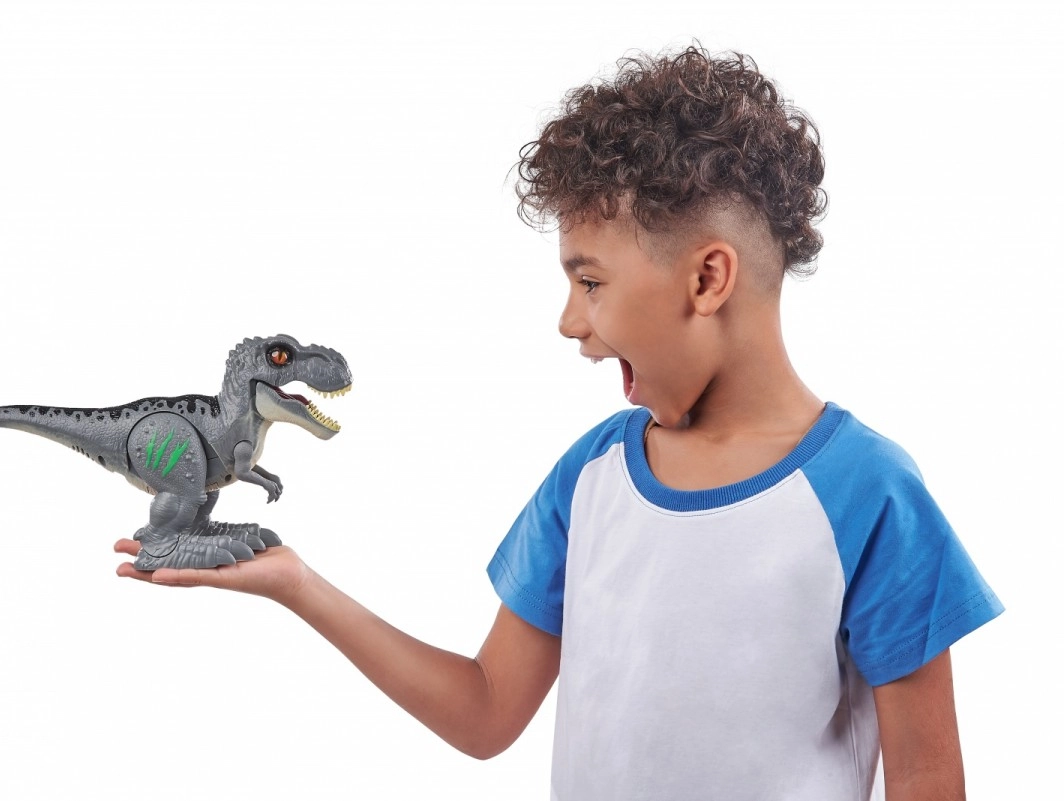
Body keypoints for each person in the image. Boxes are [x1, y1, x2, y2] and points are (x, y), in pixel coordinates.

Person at [116, 43, 1002, 800]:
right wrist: (297, 583)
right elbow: (485, 710)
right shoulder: (592, 479)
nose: (571, 321)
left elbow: (929, 780)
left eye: (591, 281)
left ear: (707, 278)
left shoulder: (870, 494)